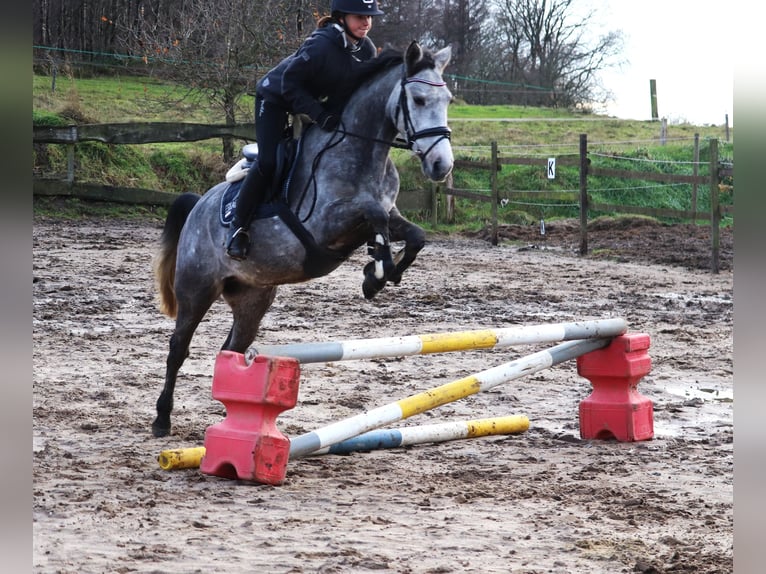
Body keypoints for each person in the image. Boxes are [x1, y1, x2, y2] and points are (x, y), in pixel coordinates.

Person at [226, 0, 385, 260]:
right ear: (341, 17)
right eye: (360, 16)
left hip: (310, 103)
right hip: (275, 98)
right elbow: (289, 84)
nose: (366, 22)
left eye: (370, 17)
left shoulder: (365, 49)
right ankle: (238, 227)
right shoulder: (321, 45)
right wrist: (320, 115)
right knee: (269, 161)